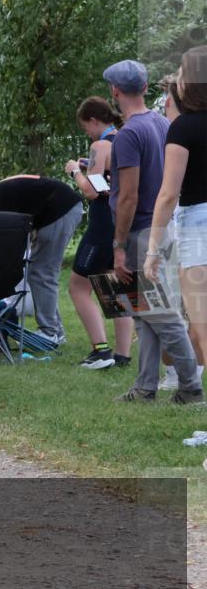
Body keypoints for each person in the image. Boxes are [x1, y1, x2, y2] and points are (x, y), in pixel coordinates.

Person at [103, 58, 200, 403]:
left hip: (143, 231)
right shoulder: (161, 122)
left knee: (160, 314)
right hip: (165, 227)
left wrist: (118, 245)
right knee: (145, 315)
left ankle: (191, 385)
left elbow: (127, 195)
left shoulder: (128, 133)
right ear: (145, 88)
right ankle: (145, 386)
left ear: (114, 91)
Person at [145, 47, 207, 402]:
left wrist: (153, 251)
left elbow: (168, 194)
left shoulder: (183, 128)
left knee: (201, 327)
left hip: (198, 224)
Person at [64, 96, 133, 369]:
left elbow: (92, 191)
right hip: (123, 222)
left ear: (94, 121)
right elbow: (108, 181)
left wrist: (73, 172)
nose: (87, 134)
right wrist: (90, 168)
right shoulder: (126, 139)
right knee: (117, 287)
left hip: (102, 224)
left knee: (78, 286)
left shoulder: (99, 145)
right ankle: (123, 355)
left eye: (85, 128)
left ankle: (101, 351)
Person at [0, 176, 83, 345]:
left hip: (60, 209)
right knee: (39, 272)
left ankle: (49, 332)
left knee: (42, 273)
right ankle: (55, 331)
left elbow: (7, 243)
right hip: (61, 208)